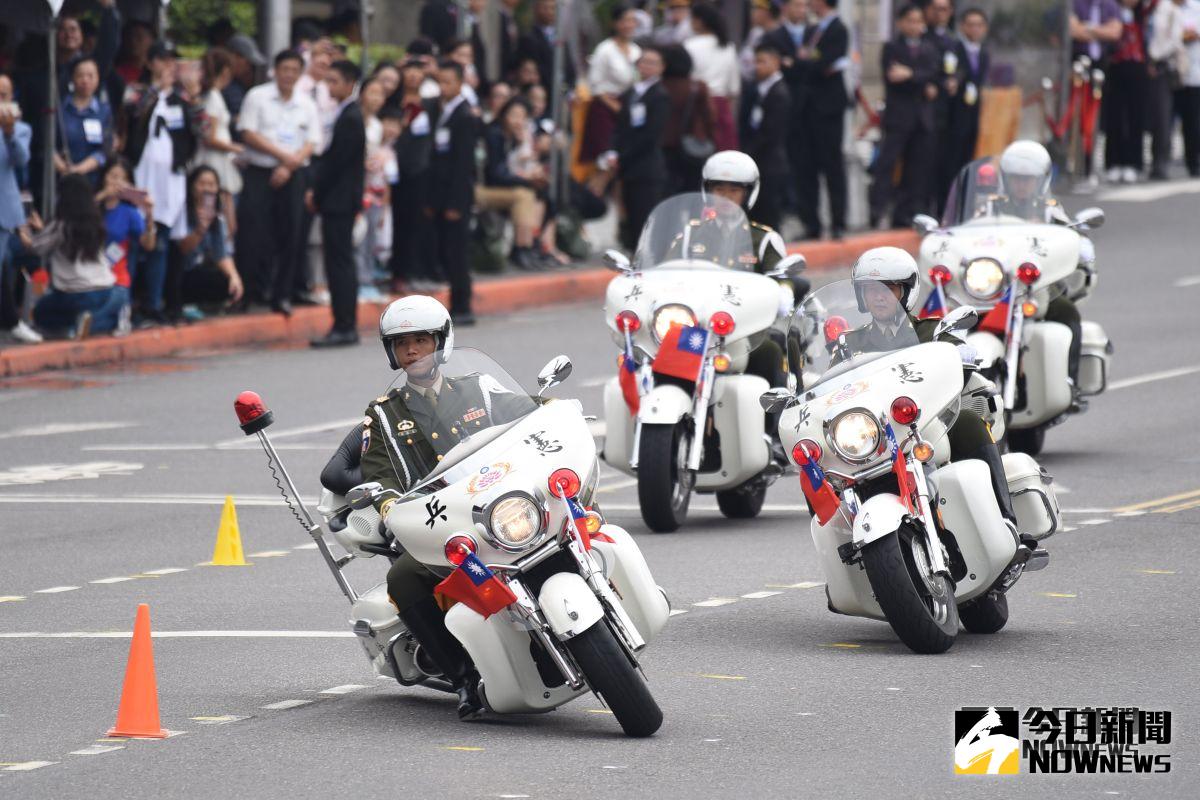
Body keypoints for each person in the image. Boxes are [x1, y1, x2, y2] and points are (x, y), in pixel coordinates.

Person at [358, 296, 529, 721]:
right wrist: (390, 505)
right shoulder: (383, 415)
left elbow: (529, 412)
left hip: (501, 504)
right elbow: (380, 477)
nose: (412, 350)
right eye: (402, 344)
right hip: (445, 521)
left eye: (421, 340)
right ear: (392, 352)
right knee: (402, 577)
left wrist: (562, 413)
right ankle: (463, 678)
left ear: (442, 342)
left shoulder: (478, 388)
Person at [842, 248, 1030, 545]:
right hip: (873, 435)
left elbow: (961, 356)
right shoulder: (848, 343)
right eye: (870, 290)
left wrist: (961, 354)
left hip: (928, 424)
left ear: (905, 292)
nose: (879, 297)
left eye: (888, 289)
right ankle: (846, 549)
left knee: (969, 422)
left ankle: (1008, 522)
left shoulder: (932, 331)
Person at [993, 141, 1087, 411]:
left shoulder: (1051, 211)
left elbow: (1074, 238)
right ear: (1006, 180)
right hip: (998, 289)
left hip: (1041, 289)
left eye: (1028, 180)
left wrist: (1080, 246)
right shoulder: (990, 210)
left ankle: (1071, 381)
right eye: (1016, 179)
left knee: (1068, 314)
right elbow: (966, 237)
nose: (1022, 185)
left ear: (1041, 181)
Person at [236, 49, 321, 316]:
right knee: (252, 233)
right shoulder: (257, 96)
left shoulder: (306, 102)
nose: (289, 75)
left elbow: (312, 142)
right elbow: (248, 133)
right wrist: (282, 157)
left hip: (294, 174)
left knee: (291, 234)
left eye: (295, 70)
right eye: (284, 69)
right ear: (275, 70)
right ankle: (247, 293)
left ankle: (281, 295)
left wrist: (289, 164)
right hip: (260, 171)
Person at [125, 41, 198, 325]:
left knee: (162, 242)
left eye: (172, 61)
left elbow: (202, 129)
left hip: (171, 181)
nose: (169, 67)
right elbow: (132, 113)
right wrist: (157, 89)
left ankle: (155, 303)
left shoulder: (182, 99)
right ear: (152, 63)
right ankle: (129, 303)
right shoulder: (138, 91)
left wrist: (193, 97)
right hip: (141, 175)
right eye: (164, 61)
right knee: (136, 238)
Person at [307, 60, 365, 349]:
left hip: (339, 201)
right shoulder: (344, 114)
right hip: (339, 200)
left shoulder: (350, 117)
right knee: (339, 262)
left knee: (339, 263)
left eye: (334, 81)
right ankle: (343, 323)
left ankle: (344, 325)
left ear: (350, 82)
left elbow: (335, 164)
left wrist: (316, 194)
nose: (329, 86)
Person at [25, 174, 125, 339]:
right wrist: (44, 228)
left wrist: (23, 232)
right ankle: (102, 322)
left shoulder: (61, 225)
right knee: (95, 311)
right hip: (104, 289)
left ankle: (75, 325)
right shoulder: (96, 222)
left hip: (74, 293)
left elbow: (36, 248)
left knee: (40, 313)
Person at [869, 4, 940, 229]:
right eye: (910, 20)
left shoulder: (929, 48)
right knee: (887, 165)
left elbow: (934, 73)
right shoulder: (892, 47)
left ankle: (905, 213)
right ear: (900, 23)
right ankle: (877, 210)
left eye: (919, 21)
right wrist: (921, 80)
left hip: (922, 119)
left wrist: (910, 74)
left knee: (916, 168)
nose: (915, 25)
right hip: (899, 117)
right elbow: (893, 77)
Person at [426, 60, 479, 326]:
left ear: (460, 84)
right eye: (440, 81)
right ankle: (454, 300)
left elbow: (463, 165)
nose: (443, 87)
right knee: (445, 249)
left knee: (457, 251)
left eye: (448, 81)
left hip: (456, 194)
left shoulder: (464, 115)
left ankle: (463, 303)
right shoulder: (439, 110)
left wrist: (457, 202)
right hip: (439, 190)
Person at [797, 0, 850, 239]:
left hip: (829, 107)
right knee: (806, 166)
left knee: (832, 165)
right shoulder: (810, 30)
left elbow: (824, 62)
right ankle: (811, 223)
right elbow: (805, 62)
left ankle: (838, 221)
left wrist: (809, 61)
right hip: (807, 107)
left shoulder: (839, 29)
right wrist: (808, 61)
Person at [608, 46, 670, 251]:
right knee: (631, 212)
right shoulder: (631, 92)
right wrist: (614, 151)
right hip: (629, 165)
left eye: (653, 63)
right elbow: (620, 126)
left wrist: (624, 155)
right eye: (644, 62)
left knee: (645, 214)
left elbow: (651, 134)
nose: (647, 66)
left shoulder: (660, 95)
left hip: (646, 165)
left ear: (661, 68)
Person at [480, 97, 551, 271]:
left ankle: (529, 246)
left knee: (538, 194)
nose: (518, 121)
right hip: (484, 189)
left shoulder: (515, 136)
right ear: (504, 115)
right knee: (524, 195)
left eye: (522, 117)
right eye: (514, 115)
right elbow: (496, 174)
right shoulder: (495, 134)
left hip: (504, 187)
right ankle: (521, 248)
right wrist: (526, 179)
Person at [168, 166, 244, 316]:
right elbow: (182, 248)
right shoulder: (181, 210)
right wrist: (200, 229)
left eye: (211, 185)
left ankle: (205, 305)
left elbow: (221, 253)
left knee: (227, 282)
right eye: (201, 184)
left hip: (201, 268)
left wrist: (234, 276)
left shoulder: (216, 215)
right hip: (182, 271)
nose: (206, 189)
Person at [389, 60, 437, 293]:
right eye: (409, 72)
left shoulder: (431, 104)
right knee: (399, 223)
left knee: (420, 223)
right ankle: (398, 273)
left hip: (423, 171)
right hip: (397, 171)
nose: (414, 77)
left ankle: (417, 271)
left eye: (419, 73)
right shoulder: (394, 104)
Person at [764, 0, 812, 230]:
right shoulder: (774, 36)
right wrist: (794, 64)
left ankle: (803, 212)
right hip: (783, 109)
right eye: (796, 5)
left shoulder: (813, 34)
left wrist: (795, 64)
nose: (800, 11)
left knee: (805, 164)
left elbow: (811, 67)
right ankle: (785, 207)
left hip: (808, 111)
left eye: (804, 6)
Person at [95, 158, 156, 333]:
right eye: (112, 176)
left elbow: (148, 244)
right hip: (88, 276)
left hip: (116, 279)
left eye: (122, 179)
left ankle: (118, 315)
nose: (116, 183)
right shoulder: (92, 204)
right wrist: (102, 196)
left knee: (103, 313)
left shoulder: (129, 212)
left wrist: (149, 215)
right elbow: (76, 219)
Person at [0, 74, 39, 343]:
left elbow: (21, 159)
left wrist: (9, 131)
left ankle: (12, 321)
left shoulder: (21, 128)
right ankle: (10, 320)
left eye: (4, 95)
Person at [740, 44, 791, 232]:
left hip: (770, 163)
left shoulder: (779, 93)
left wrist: (748, 152)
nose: (757, 66)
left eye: (762, 62)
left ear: (776, 63)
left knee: (769, 217)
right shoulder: (758, 89)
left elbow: (771, 132)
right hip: (759, 161)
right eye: (755, 62)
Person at [582, 4, 642, 165]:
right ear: (615, 24)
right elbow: (594, 84)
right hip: (605, 108)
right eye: (625, 21)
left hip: (628, 107)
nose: (629, 25)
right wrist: (614, 106)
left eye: (632, 21)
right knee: (607, 160)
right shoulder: (605, 49)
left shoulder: (636, 50)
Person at [192, 48, 244, 227]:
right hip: (215, 160)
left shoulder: (211, 96)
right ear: (226, 71)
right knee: (219, 209)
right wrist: (236, 148)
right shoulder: (213, 98)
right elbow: (210, 137)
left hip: (219, 159)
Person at [944, 8, 990, 192]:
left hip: (973, 114)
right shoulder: (954, 49)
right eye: (971, 25)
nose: (975, 29)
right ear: (963, 27)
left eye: (979, 25)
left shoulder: (983, 53)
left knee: (969, 160)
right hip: (955, 116)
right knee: (951, 162)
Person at [685, 3, 741, 152]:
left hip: (697, 105)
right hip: (721, 106)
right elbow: (733, 88)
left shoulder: (689, 46)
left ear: (699, 21)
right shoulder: (728, 46)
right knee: (723, 152)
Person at [660, 44, 714, 195]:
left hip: (664, 147)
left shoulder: (659, 87)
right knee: (692, 192)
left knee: (667, 194)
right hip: (693, 147)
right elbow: (710, 117)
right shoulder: (697, 87)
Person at [1145, 0, 1186, 180]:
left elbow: (1174, 41)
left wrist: (1155, 59)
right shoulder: (1148, 8)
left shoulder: (1171, 11)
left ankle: (1161, 161)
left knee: (1163, 117)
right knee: (1153, 116)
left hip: (1162, 67)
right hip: (1144, 64)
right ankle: (1152, 160)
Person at [57, 57, 112, 187]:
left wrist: (79, 170)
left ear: (98, 78)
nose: (85, 80)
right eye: (80, 75)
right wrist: (63, 168)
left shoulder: (104, 111)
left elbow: (105, 150)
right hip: (61, 178)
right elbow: (48, 145)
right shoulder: (59, 108)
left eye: (91, 75)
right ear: (72, 78)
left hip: (92, 181)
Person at [518, 0, 576, 90]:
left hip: (560, 92)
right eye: (545, 8)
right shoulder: (528, 37)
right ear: (536, 9)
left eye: (553, 8)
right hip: (540, 92)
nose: (549, 12)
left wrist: (569, 86)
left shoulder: (560, 36)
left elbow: (569, 66)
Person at [1177, 0, 1200, 177]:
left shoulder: (1196, 7)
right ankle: (1191, 162)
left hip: (1196, 72)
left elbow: (1192, 34)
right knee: (1188, 122)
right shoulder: (1168, 7)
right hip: (1178, 74)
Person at [740, 0, 783, 82]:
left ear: (766, 12)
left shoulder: (779, 36)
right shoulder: (755, 33)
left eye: (757, 8)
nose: (753, 12)